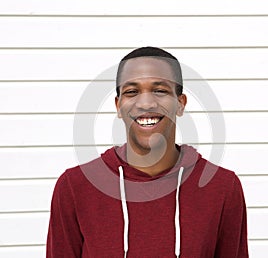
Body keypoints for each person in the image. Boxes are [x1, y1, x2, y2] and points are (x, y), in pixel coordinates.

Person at [46, 47, 249, 257]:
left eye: (160, 90)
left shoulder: (222, 186)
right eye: (132, 92)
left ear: (180, 104)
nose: (145, 103)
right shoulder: (74, 186)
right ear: (118, 106)